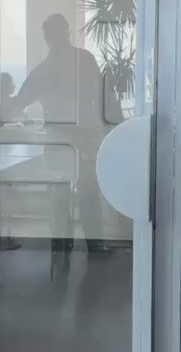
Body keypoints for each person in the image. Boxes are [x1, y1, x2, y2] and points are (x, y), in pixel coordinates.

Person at [13, 13, 115, 253]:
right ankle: (95, 247)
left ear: (47, 37)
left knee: (59, 197)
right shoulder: (85, 60)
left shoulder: (45, 68)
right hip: (86, 137)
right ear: (67, 32)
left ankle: (61, 248)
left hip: (58, 140)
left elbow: (20, 100)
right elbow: (105, 97)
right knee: (88, 194)